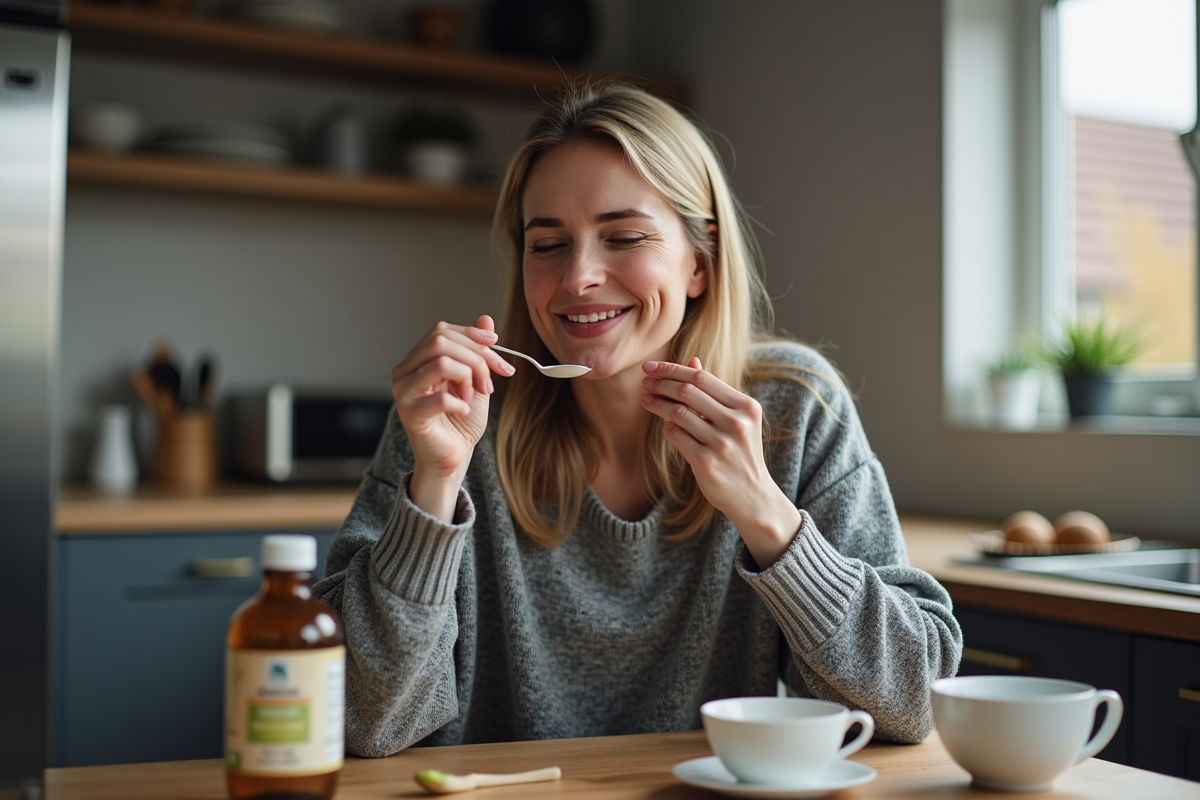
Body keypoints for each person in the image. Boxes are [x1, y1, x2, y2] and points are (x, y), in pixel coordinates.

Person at [313, 81, 962, 758]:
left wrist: (769, 517)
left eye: (623, 236)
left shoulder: (795, 411)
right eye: (547, 244)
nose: (578, 278)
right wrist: (435, 488)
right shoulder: (454, 417)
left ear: (700, 263)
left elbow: (912, 704)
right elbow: (361, 721)